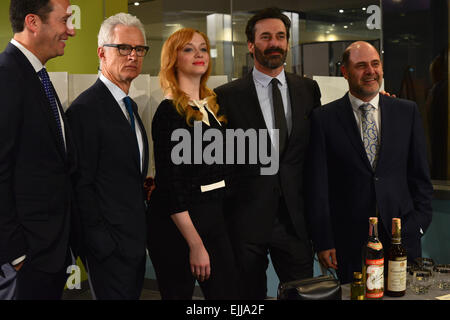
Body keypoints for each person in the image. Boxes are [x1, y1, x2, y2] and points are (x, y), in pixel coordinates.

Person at [214, 7, 322, 299]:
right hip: (245, 222)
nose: (274, 43)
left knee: (302, 296)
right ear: (251, 45)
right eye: (265, 37)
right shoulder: (226, 96)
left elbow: (317, 150)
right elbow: (220, 163)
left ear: (288, 42)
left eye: (280, 36)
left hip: (295, 223)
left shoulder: (308, 90)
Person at [305, 41, 433, 284]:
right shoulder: (324, 119)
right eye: (361, 66)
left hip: (401, 238)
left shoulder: (407, 112)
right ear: (345, 72)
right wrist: (324, 240)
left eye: (375, 64)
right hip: (349, 242)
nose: (370, 71)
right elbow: (317, 187)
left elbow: (420, 177)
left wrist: (416, 226)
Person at [147, 27, 239, 300]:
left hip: (212, 216)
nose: (198, 54)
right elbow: (172, 186)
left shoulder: (210, 106)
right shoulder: (169, 112)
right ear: (173, 59)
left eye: (202, 48)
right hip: (179, 226)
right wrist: (195, 244)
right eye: (188, 49)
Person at [66, 13, 149, 300]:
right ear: (101, 52)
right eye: (123, 48)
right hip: (109, 250)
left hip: (134, 244)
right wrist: (102, 245)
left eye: (139, 49)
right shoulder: (85, 110)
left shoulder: (130, 107)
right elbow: (80, 186)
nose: (133, 56)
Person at [0, 0, 76, 300]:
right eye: (64, 20)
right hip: (26, 260)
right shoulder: (6, 76)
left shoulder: (37, 75)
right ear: (33, 22)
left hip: (50, 254)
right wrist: (16, 255)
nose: (70, 30)